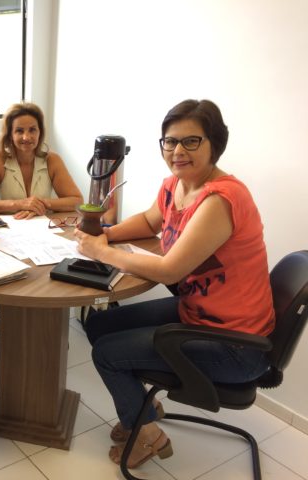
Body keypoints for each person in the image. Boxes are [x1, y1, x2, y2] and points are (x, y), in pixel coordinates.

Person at [74, 99, 274, 469]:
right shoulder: (176, 185)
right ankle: (143, 407)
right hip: (197, 313)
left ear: (215, 143)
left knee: (107, 353)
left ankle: (147, 434)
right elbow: (149, 221)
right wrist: (105, 234)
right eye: (170, 141)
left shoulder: (221, 199)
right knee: (99, 325)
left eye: (191, 141)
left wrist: (102, 252)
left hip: (235, 344)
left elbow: (169, 271)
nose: (178, 150)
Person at [0, 102, 83, 219]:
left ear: (40, 132)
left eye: (32, 130)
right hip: (9, 226)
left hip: (43, 225)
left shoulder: (52, 160)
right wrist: (19, 204)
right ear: (10, 135)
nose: (26, 137)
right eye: (19, 131)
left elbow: (78, 201)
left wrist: (39, 204)